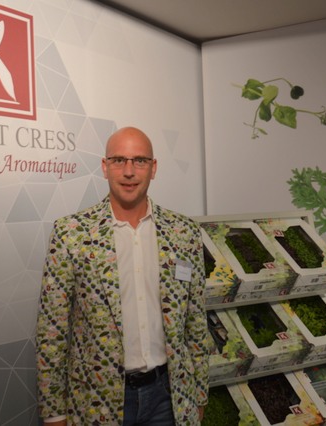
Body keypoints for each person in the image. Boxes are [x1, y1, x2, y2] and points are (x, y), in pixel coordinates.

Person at [36, 126, 209, 425]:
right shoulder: (71, 234)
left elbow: (195, 322)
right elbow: (52, 331)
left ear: (153, 168)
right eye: (119, 160)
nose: (129, 171)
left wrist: (200, 394)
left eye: (140, 160)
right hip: (97, 402)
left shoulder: (184, 233)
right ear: (105, 167)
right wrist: (53, 413)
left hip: (170, 399)